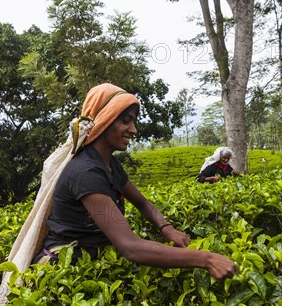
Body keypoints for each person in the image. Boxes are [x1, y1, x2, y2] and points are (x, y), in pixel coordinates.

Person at [32, 83, 239, 281]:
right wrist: (207, 259)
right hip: (61, 270)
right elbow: (131, 247)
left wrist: (166, 227)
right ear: (105, 119)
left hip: (90, 262)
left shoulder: (108, 164)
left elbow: (142, 203)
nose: (134, 130)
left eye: (133, 122)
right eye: (126, 121)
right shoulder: (86, 172)